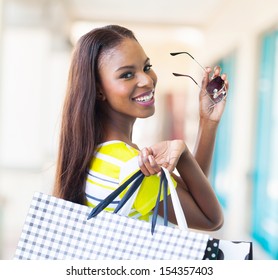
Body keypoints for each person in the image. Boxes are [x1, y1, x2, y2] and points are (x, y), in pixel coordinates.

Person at [53, 24, 228, 231]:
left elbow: (190, 197)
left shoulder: (104, 154)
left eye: (146, 67)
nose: (147, 80)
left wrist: (207, 122)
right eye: (127, 75)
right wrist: (182, 152)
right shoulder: (127, 166)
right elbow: (210, 220)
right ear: (99, 90)